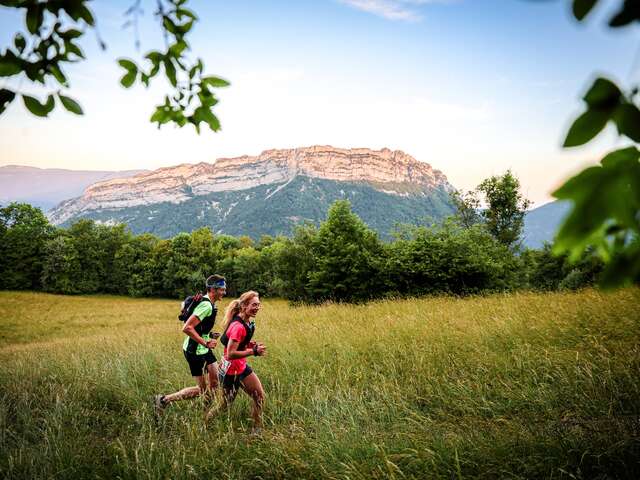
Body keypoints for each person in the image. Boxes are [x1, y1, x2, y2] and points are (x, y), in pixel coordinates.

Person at [154, 274, 227, 415]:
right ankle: (163, 400)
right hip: (193, 351)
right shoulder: (206, 305)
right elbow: (187, 328)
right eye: (222, 289)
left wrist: (209, 335)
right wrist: (206, 342)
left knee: (215, 384)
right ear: (212, 289)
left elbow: (198, 327)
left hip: (204, 350)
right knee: (203, 390)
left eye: (224, 289)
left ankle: (206, 416)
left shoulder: (210, 304)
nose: (224, 292)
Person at [206, 290, 266, 434]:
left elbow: (237, 344)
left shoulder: (244, 321)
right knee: (224, 405)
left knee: (259, 397)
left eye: (258, 305)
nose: (257, 307)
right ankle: (206, 424)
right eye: (254, 305)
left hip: (241, 367)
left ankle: (256, 430)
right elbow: (231, 353)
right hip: (231, 371)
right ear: (244, 306)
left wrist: (250, 344)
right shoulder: (238, 326)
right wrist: (254, 351)